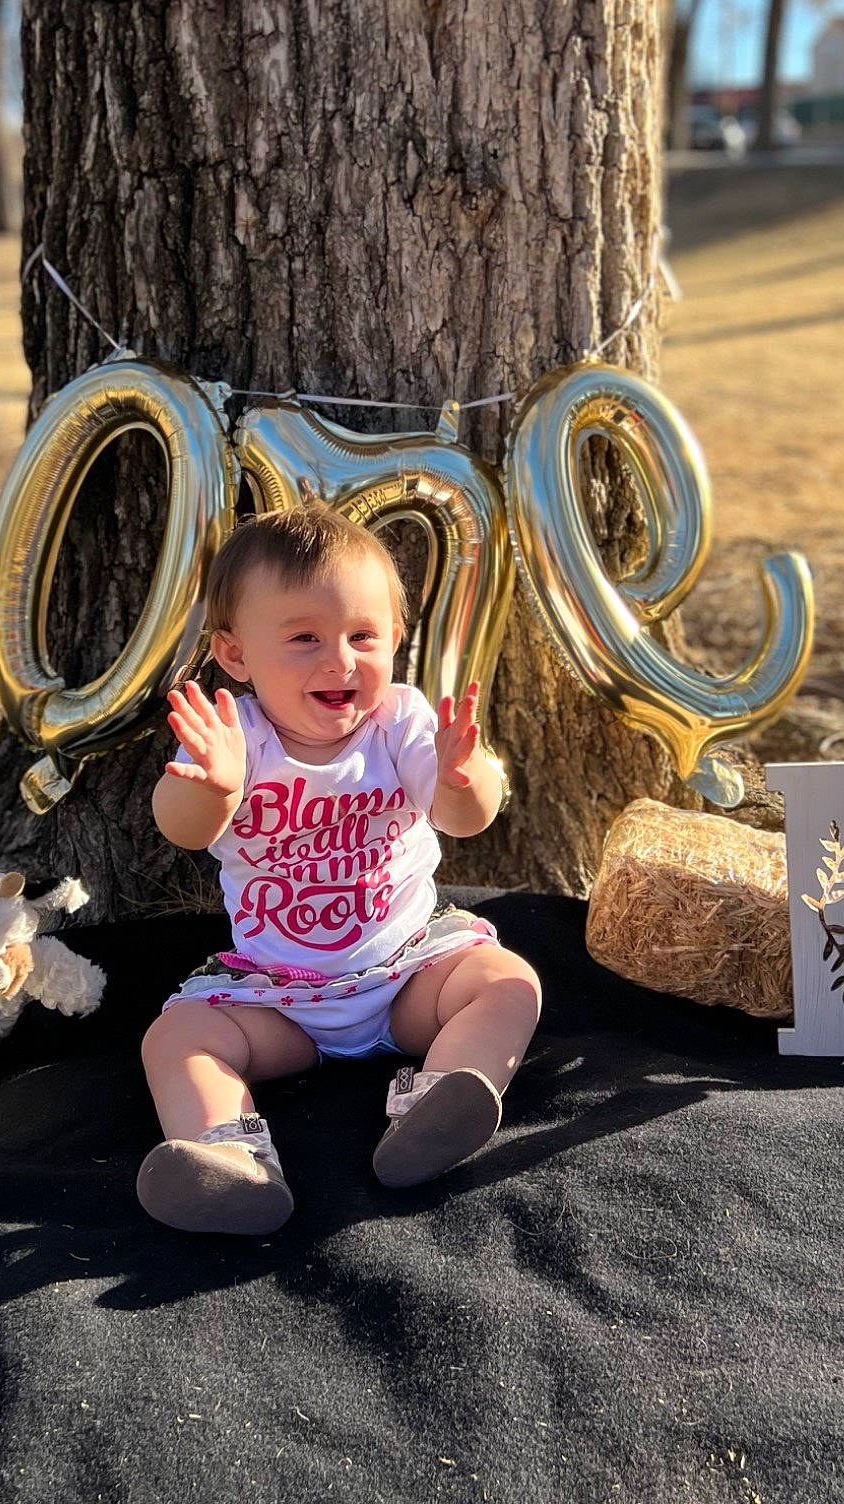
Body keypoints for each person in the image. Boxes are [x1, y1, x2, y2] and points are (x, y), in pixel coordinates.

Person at [141, 503, 541, 1234]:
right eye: (304, 639)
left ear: (395, 639)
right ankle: (227, 1155)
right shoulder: (236, 737)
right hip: (277, 998)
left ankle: (441, 1097)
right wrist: (216, 789)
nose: (341, 660)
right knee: (176, 1038)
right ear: (236, 656)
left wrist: (461, 776)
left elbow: (464, 819)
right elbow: (183, 827)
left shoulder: (402, 722)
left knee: (509, 981)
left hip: (409, 976)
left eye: (363, 635)